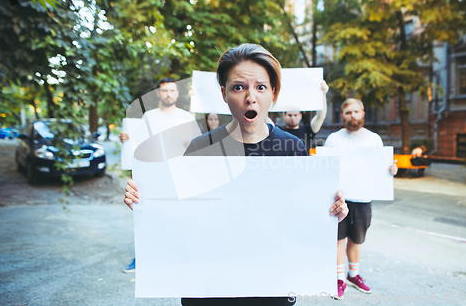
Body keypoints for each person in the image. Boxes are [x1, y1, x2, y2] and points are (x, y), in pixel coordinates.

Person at [124, 43, 349, 305]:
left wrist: (330, 211)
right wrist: (144, 201)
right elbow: (179, 213)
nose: (250, 97)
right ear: (224, 93)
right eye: (239, 87)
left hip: (271, 286)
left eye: (261, 87)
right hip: (210, 288)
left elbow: (300, 214)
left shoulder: (291, 148)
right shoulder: (201, 147)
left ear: (273, 94)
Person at [121, 78, 201, 273]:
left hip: (179, 174)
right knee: (147, 213)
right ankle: (142, 257)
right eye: (164, 91)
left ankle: (178, 255)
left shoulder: (186, 118)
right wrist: (126, 138)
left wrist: (191, 143)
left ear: (177, 93)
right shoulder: (148, 116)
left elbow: (199, 145)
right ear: (158, 93)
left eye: (172, 91)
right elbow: (138, 141)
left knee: (179, 215)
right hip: (152, 173)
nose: (168, 94)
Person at [324, 98, 398, 300]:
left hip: (363, 198)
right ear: (342, 116)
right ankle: (339, 278)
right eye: (348, 112)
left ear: (363, 114)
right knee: (338, 239)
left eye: (356, 112)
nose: (352, 116)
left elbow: (381, 169)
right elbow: (326, 170)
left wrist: (391, 169)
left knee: (356, 240)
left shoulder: (374, 139)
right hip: (339, 199)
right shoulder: (333, 139)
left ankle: (353, 275)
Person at [282, 80, 328, 154]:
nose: (293, 118)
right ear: (284, 116)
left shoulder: (307, 131)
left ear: (300, 116)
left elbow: (320, 117)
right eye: (290, 115)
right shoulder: (278, 131)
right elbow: (265, 119)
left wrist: (323, 94)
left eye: (295, 115)